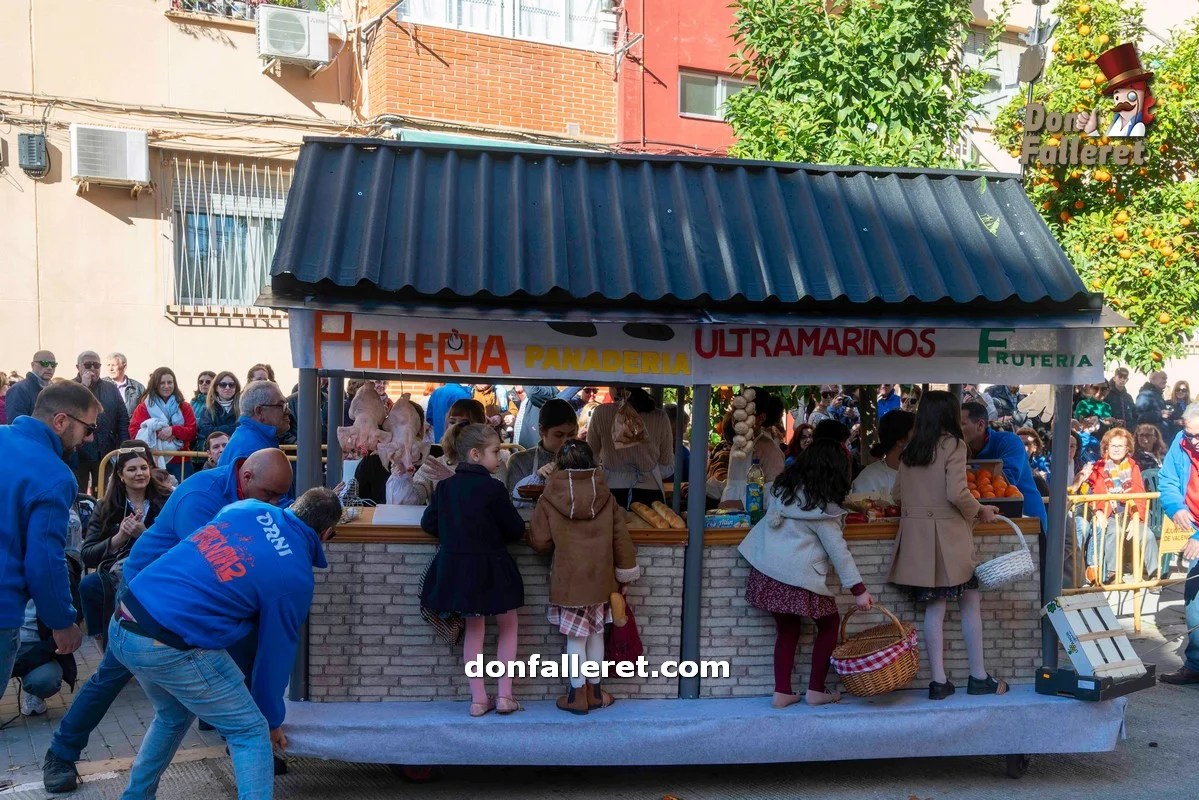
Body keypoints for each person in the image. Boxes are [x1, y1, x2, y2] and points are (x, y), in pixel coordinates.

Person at [41, 449, 294, 793]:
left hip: (170, 602)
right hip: (146, 596)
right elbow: (215, 575)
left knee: (175, 712)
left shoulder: (249, 490)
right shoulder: (202, 496)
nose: (276, 505)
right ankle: (61, 752)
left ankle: (141, 787)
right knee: (111, 678)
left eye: (282, 498)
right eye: (270, 496)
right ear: (246, 477)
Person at [109, 488, 340, 799]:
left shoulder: (246, 508)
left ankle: (135, 796)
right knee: (250, 730)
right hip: (168, 645)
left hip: (125, 619)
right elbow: (275, 657)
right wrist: (271, 719)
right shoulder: (295, 578)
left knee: (173, 715)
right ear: (326, 533)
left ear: (295, 505)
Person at [888, 390, 1006, 700]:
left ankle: (938, 682)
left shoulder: (911, 449)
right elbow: (957, 492)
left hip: (917, 540)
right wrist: (981, 510)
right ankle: (979, 677)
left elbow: (897, 495)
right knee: (970, 602)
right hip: (949, 538)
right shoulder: (954, 445)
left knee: (935, 608)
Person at [739, 439, 874, 708]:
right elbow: (840, 553)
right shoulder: (824, 511)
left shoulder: (782, 492)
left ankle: (782, 692)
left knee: (787, 629)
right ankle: (815, 690)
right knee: (829, 623)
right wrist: (859, 591)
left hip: (767, 572)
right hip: (798, 576)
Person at [420, 423, 524, 716]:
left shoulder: (446, 487)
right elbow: (514, 529)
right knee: (509, 626)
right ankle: (505, 695)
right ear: (476, 454)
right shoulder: (494, 489)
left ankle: (478, 699)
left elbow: (428, 524)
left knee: (474, 632)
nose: (500, 459)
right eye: (495, 452)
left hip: (459, 571)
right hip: (494, 569)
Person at [529, 440, 640, 714]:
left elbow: (540, 542)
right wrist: (625, 576)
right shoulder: (606, 495)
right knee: (597, 636)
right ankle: (596, 692)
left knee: (575, 639)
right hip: (602, 581)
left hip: (569, 582)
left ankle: (576, 695)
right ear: (592, 462)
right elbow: (621, 539)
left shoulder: (549, 495)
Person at [0, 382, 94, 707]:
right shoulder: (55, 475)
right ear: (61, 421)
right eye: (88, 428)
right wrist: (62, 622)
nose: (90, 438)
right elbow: (45, 561)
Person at [79, 447, 170, 650]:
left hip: (158, 567)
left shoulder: (167, 500)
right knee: (89, 586)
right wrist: (118, 538)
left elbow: (179, 544)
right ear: (120, 475)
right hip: (115, 570)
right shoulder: (105, 507)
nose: (139, 473)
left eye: (143, 468)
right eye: (132, 469)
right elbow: (87, 555)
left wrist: (144, 535)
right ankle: (108, 646)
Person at [1156, 402, 1199, 685]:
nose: (1192, 441)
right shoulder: (1182, 440)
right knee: (1194, 595)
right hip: (1195, 521)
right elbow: (1167, 479)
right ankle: (1196, 664)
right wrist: (1176, 507)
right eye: (1189, 433)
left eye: (1198, 436)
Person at [960, 401, 1048, 533]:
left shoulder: (1009, 442)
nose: (956, 430)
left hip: (1027, 521)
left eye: (962, 424)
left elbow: (1004, 481)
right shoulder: (960, 449)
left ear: (980, 425)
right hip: (987, 523)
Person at [586, 388, 674, 509]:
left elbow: (590, 458)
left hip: (611, 489)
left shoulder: (601, 412)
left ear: (614, 387)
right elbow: (666, 464)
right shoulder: (660, 416)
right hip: (650, 489)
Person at [1082, 428, 1149, 584]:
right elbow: (1092, 493)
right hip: (1108, 512)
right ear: (1106, 447)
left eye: (1120, 446)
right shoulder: (1098, 466)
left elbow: (1139, 493)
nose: (1117, 449)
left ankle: (1153, 574)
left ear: (1127, 449)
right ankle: (1113, 573)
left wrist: (1137, 518)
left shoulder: (1133, 466)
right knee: (1115, 531)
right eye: (1113, 446)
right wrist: (1098, 512)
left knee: (1147, 534)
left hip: (1128, 511)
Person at [409, 399, 496, 504]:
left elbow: (494, 501)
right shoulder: (435, 465)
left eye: (465, 423)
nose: (456, 427)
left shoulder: (493, 464)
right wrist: (403, 475)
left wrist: (454, 480)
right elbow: (411, 500)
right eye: (452, 422)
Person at [71, 351, 131, 496]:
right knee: (78, 494)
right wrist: (83, 387)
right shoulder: (70, 387)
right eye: (87, 365)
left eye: (96, 365)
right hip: (78, 453)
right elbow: (70, 412)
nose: (92, 368)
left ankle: (102, 518)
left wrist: (122, 448)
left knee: (105, 495)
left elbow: (123, 419)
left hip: (104, 452)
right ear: (78, 367)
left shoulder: (110, 388)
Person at [129, 367, 197, 482]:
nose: (167, 386)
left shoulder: (184, 406)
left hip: (181, 461)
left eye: (170, 382)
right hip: (153, 461)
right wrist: (160, 433)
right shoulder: (143, 407)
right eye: (162, 383)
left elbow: (192, 431)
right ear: (155, 385)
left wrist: (173, 431)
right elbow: (134, 432)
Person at [219, 381, 292, 466]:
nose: (288, 411)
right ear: (259, 411)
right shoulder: (254, 452)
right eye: (281, 406)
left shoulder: (248, 437)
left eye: (286, 405)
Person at [851, 410, 915, 496]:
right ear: (900, 440)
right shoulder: (869, 478)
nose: (923, 439)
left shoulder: (923, 473)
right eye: (917, 434)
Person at [5, 350, 58, 421]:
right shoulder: (19, 389)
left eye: (53, 364)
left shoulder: (56, 390)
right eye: (44, 363)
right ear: (32, 365)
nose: (49, 368)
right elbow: (16, 425)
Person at [103, 352, 146, 417]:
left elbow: (145, 411)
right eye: (108, 365)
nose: (110, 369)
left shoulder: (138, 388)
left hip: (130, 426)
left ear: (124, 367)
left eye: (113, 365)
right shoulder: (101, 385)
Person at [1016, 427, 1052, 497]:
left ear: (1035, 447)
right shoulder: (1010, 464)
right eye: (1020, 444)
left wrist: (1042, 480)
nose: (1023, 447)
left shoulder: (1043, 465)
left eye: (1027, 444)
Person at [1136, 371, 1171, 439]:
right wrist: (1159, 414)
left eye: (1166, 379)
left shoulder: (1158, 394)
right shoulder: (1145, 395)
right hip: (1152, 439)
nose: (1165, 381)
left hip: (1162, 437)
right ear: (1152, 379)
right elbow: (1139, 416)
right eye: (1163, 378)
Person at [661, 402, 690, 480]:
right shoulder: (652, 451)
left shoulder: (684, 454)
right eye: (674, 431)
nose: (679, 436)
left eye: (682, 432)